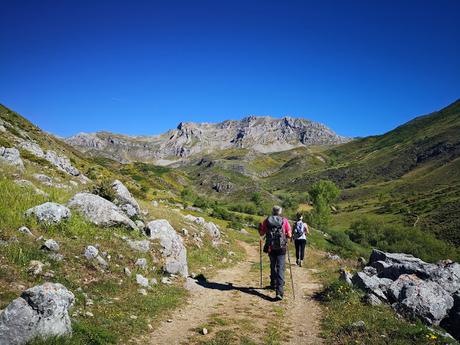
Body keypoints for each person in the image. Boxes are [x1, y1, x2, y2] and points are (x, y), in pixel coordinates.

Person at [259, 205, 292, 300]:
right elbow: (289, 235)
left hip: (270, 247)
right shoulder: (284, 220)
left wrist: (260, 227)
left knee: (273, 265)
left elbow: (262, 233)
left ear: (272, 211)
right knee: (280, 268)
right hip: (281, 248)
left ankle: (273, 283)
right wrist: (286, 235)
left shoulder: (267, 220)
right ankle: (279, 292)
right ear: (280, 212)